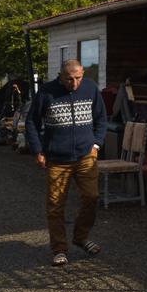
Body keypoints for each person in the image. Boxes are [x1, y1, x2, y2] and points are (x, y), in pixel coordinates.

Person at [25, 59, 108, 266]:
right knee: (55, 206)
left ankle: (80, 237)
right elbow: (31, 123)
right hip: (57, 159)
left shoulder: (90, 88)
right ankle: (60, 249)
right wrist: (38, 150)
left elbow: (101, 118)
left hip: (85, 156)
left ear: (83, 74)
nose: (75, 83)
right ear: (60, 76)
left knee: (92, 197)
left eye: (78, 77)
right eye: (70, 79)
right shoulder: (46, 92)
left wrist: (96, 145)